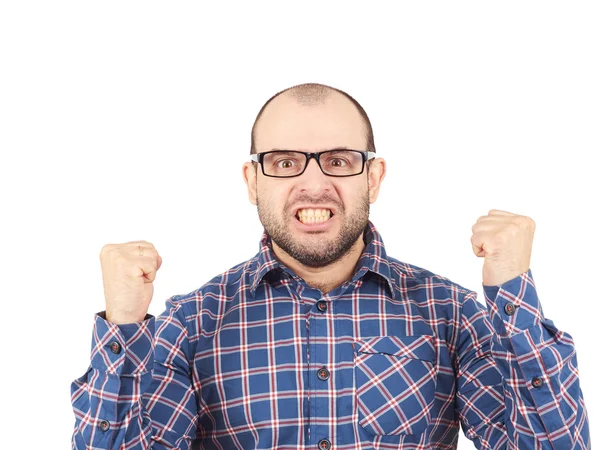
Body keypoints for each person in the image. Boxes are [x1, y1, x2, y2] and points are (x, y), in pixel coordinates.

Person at [71, 82, 590, 449]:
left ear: (374, 177)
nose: (314, 184)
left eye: (339, 160)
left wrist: (514, 296)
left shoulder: (449, 313)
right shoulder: (191, 323)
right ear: (253, 182)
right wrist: (124, 329)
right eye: (284, 162)